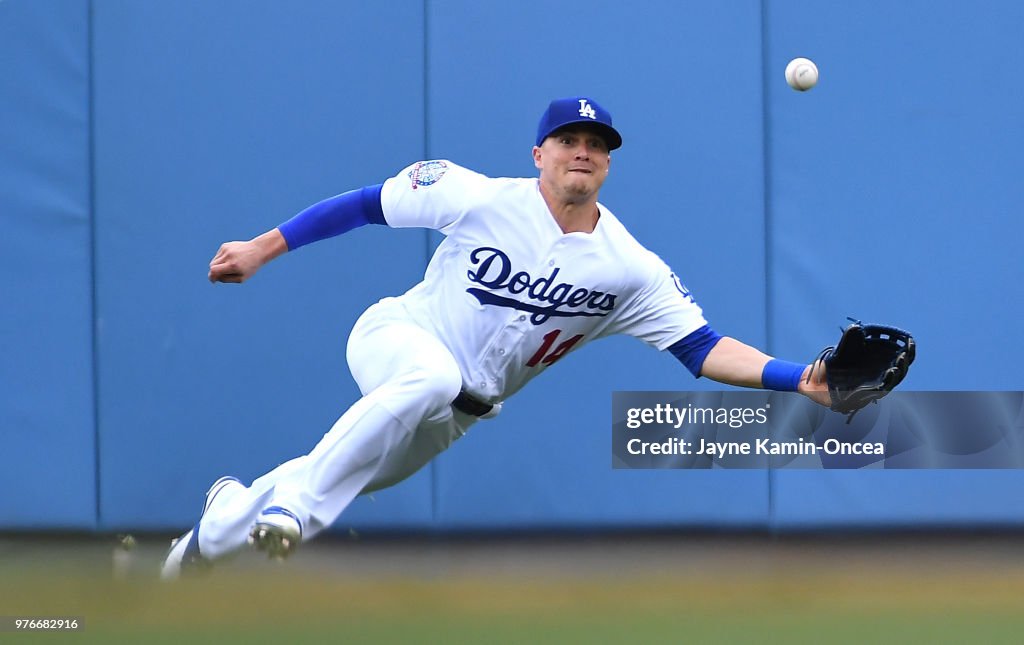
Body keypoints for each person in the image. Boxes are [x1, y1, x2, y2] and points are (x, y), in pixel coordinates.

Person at [160, 96, 831, 579]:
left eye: (596, 145)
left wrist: (799, 377)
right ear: (539, 153)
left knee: (334, 469)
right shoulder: (476, 196)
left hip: (457, 416)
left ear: (607, 166)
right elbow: (366, 204)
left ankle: (207, 534)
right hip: (398, 337)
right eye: (569, 140)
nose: (583, 151)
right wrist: (262, 247)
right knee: (424, 382)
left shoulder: (629, 267)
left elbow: (701, 347)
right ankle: (299, 517)